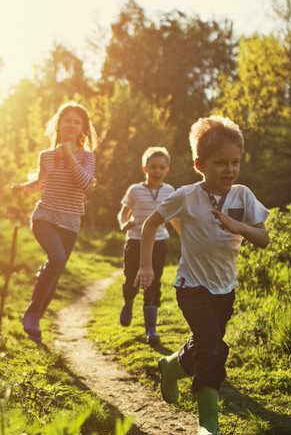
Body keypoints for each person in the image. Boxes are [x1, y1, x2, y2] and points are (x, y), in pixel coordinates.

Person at [134, 115, 269, 435]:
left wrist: (240, 228)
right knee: (213, 347)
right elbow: (151, 225)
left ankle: (171, 366)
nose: (229, 169)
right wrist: (146, 267)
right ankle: (208, 422)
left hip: (226, 290)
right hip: (191, 287)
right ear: (199, 164)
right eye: (220, 162)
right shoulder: (186, 195)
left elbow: (264, 238)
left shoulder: (243, 196)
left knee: (205, 346)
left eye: (235, 162)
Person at [11, 101, 98, 343]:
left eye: (77, 121)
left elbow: (86, 186)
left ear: (83, 128)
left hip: (70, 222)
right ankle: (32, 314)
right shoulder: (46, 156)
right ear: (59, 124)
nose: (71, 124)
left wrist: (70, 156)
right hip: (45, 216)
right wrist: (21, 189)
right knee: (57, 259)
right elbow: (41, 184)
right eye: (67, 120)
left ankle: (34, 319)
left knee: (55, 270)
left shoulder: (88, 157)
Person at [117, 146, 176, 344]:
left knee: (153, 282)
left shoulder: (170, 191)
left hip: (158, 243)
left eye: (161, 167)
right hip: (135, 241)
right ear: (145, 168)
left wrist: (188, 235)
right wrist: (124, 224)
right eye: (153, 167)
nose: (157, 171)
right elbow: (123, 213)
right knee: (131, 278)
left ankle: (151, 330)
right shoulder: (135, 190)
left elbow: (176, 216)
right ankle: (128, 301)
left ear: (167, 169)